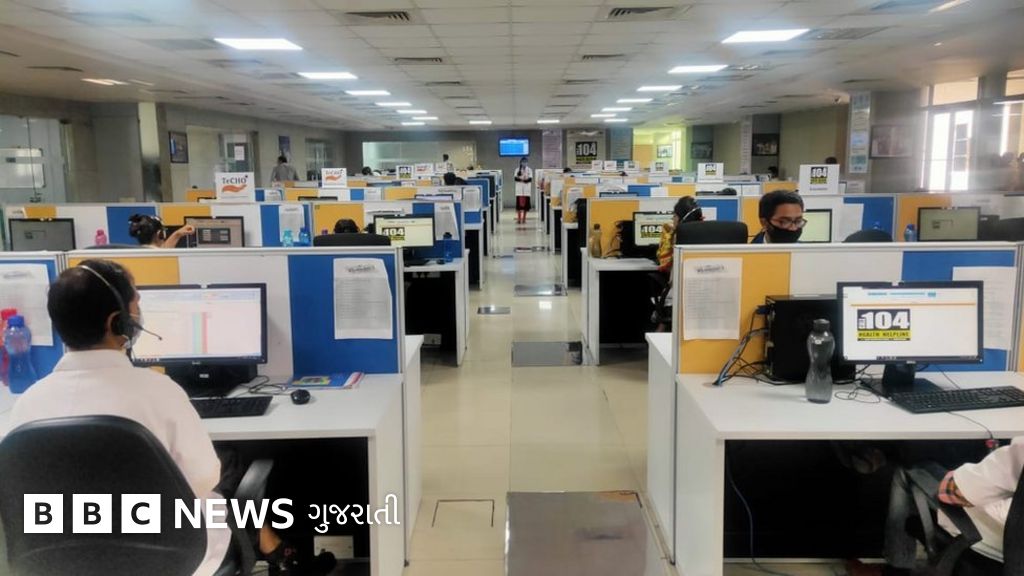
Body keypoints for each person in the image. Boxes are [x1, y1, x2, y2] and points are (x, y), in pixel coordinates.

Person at [7, 260, 316, 575]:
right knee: (226, 470)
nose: (139, 312)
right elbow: (204, 478)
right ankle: (275, 546)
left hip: (60, 562)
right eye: (136, 302)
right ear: (118, 322)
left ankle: (271, 544)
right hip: (169, 557)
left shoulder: (28, 406)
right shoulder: (159, 392)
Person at [128, 214, 194, 249]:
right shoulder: (160, 257)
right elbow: (164, 252)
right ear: (160, 234)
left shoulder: (135, 254)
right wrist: (177, 234)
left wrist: (177, 234)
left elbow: (165, 250)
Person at [514, 156, 533, 225]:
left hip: (526, 190)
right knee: (519, 206)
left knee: (526, 207)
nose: (524, 163)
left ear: (527, 163)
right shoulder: (517, 170)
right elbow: (515, 178)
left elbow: (530, 179)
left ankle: (524, 219)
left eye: (525, 162)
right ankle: (519, 219)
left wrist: (522, 180)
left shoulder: (529, 170)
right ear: (520, 163)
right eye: (523, 162)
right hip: (519, 191)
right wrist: (523, 180)